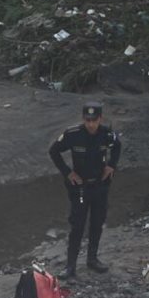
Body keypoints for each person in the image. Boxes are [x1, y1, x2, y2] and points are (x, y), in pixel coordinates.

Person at [48, 102, 122, 279]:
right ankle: (70, 266)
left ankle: (92, 259)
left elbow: (117, 146)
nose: (91, 124)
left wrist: (111, 166)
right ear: (83, 119)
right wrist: (68, 173)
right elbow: (54, 151)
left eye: (94, 120)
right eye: (87, 120)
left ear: (100, 119)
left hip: (100, 186)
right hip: (80, 188)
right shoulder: (73, 134)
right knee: (78, 225)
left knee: (97, 223)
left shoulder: (106, 134)